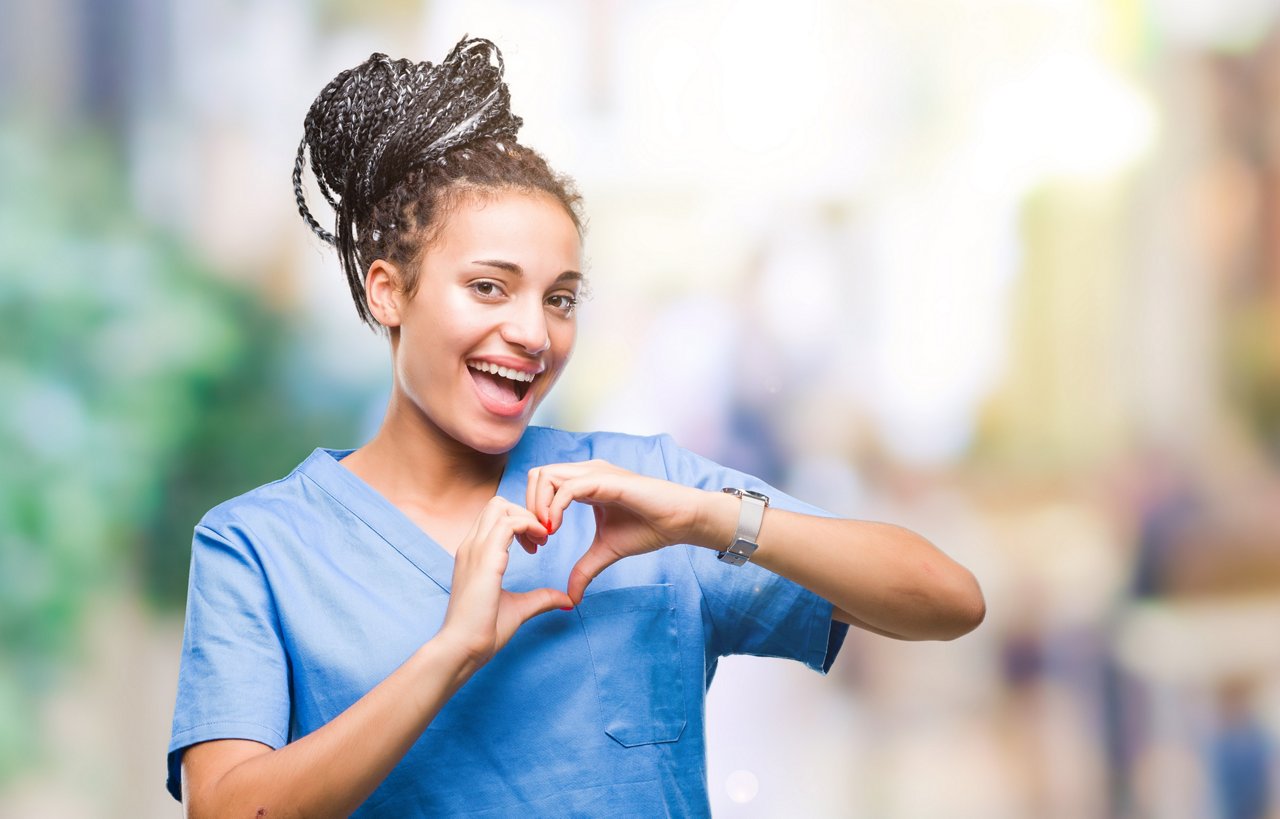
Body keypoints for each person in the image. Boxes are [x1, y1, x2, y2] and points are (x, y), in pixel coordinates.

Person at [166, 36, 985, 818]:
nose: (534, 332)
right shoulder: (259, 547)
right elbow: (232, 808)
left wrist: (708, 517)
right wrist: (450, 652)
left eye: (559, 298)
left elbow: (948, 600)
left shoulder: (646, 497)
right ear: (389, 291)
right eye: (490, 287)